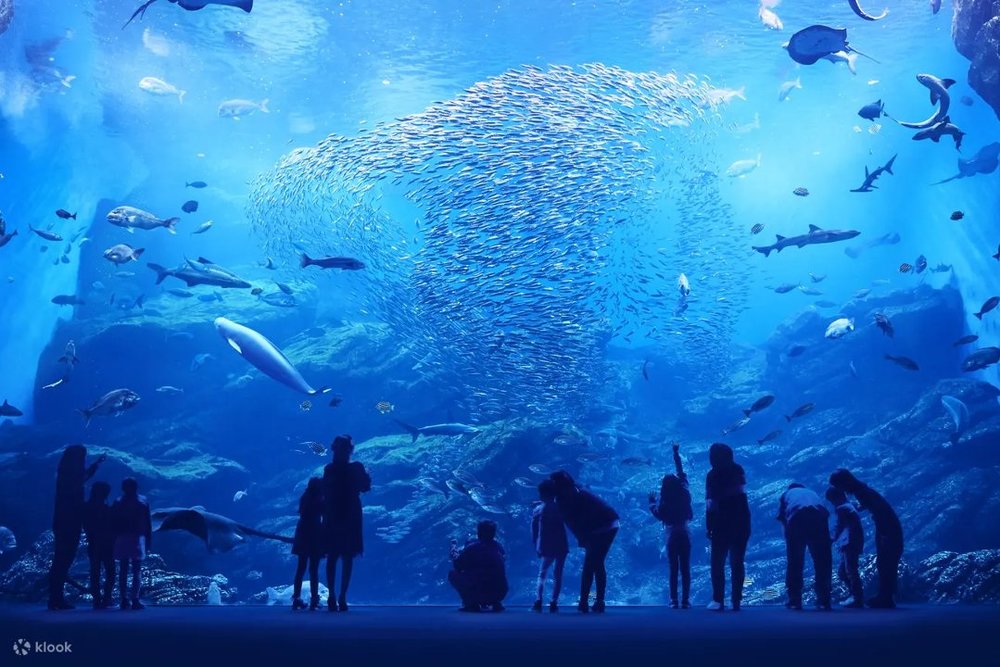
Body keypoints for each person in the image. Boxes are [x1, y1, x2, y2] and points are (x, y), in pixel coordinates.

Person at [829, 469, 903, 608]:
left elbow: (879, 511)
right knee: (884, 562)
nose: (840, 490)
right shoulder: (863, 491)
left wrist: (884, 533)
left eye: (838, 486)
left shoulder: (862, 493)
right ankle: (886, 596)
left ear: (844, 482)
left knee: (886, 561)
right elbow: (873, 506)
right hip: (888, 526)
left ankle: (886, 597)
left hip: (887, 528)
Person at [549, 470, 619, 613]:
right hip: (594, 530)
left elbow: (607, 517)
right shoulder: (563, 499)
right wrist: (584, 539)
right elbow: (572, 522)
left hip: (607, 526)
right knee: (595, 563)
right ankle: (594, 602)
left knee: (593, 563)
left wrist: (588, 538)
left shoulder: (583, 496)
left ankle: (589, 602)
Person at [48, 445, 106, 610]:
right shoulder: (71, 478)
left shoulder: (65, 474)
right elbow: (81, 482)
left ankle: (55, 596)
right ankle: (55, 598)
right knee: (63, 559)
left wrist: (96, 464)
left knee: (61, 559)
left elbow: (83, 477)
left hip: (63, 521)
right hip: (69, 522)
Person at [322, 434, 371, 612]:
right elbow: (365, 487)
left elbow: (324, 493)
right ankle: (342, 595)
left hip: (333, 512)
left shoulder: (329, 469)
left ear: (333, 448)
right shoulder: (356, 467)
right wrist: (367, 474)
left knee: (333, 555)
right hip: (350, 511)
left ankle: (332, 596)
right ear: (350, 449)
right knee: (347, 555)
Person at [705, 442, 750, 611]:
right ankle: (736, 600)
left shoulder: (712, 475)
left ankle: (718, 600)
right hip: (742, 522)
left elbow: (711, 503)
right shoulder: (738, 469)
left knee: (717, 563)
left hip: (721, 523)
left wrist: (709, 526)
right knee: (737, 562)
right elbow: (741, 496)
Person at [648, 443, 693, 609]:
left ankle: (674, 600)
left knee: (673, 568)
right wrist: (676, 453)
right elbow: (681, 473)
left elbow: (658, 515)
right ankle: (686, 600)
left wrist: (652, 503)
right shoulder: (684, 493)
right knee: (685, 568)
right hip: (685, 531)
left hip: (671, 534)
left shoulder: (665, 502)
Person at [776, 483, 832, 610]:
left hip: (797, 517)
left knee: (795, 561)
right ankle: (824, 599)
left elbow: (782, 518)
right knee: (822, 560)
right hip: (819, 517)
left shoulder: (786, 494)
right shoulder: (812, 492)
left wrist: (789, 540)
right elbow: (825, 513)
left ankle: (795, 600)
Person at [448, 520, 508, 612]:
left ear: (479, 532)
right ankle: (496, 603)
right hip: (500, 593)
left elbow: (458, 566)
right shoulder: (499, 547)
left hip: (480, 593)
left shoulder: (472, 548)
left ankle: (470, 603)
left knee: (452, 574)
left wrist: (453, 550)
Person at [111, 477, 152, 610]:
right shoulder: (143, 501)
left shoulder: (118, 502)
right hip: (136, 538)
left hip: (124, 538)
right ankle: (134, 599)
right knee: (136, 570)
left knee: (124, 569)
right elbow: (148, 523)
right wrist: (149, 539)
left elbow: (112, 523)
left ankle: (125, 599)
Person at [531, 479, 569, 612]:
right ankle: (554, 601)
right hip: (561, 545)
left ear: (541, 494)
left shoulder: (537, 510)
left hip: (545, 545)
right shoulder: (561, 507)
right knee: (558, 574)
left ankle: (538, 600)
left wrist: (536, 545)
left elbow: (534, 531)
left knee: (542, 573)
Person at [826, 486, 864, 608]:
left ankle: (857, 598)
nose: (832, 504)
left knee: (851, 571)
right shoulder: (850, 506)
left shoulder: (842, 509)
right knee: (843, 572)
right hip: (852, 542)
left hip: (850, 543)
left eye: (832, 501)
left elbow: (839, 526)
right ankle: (854, 595)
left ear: (836, 498)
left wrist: (831, 539)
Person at [291, 477, 324, 610]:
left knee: (300, 567)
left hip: (302, 532)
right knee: (313, 569)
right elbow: (324, 513)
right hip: (315, 533)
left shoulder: (304, 498)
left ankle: (296, 598)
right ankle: (314, 599)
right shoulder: (320, 500)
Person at [82, 481, 115, 610]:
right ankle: (107, 598)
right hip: (107, 543)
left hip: (93, 542)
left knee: (95, 571)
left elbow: (85, 525)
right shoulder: (107, 509)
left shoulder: (86, 507)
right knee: (110, 571)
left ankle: (96, 599)